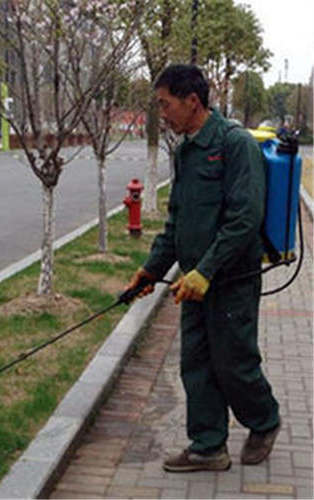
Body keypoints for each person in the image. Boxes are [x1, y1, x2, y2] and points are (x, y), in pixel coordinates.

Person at [124, 64, 281, 472]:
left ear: (192, 101)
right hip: (193, 281)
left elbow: (245, 219)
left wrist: (207, 270)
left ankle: (265, 421)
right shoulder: (186, 151)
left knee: (234, 361)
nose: (162, 114)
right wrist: (151, 270)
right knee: (196, 362)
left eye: (165, 104)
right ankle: (208, 447)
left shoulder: (234, 144)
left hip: (230, 279)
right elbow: (177, 221)